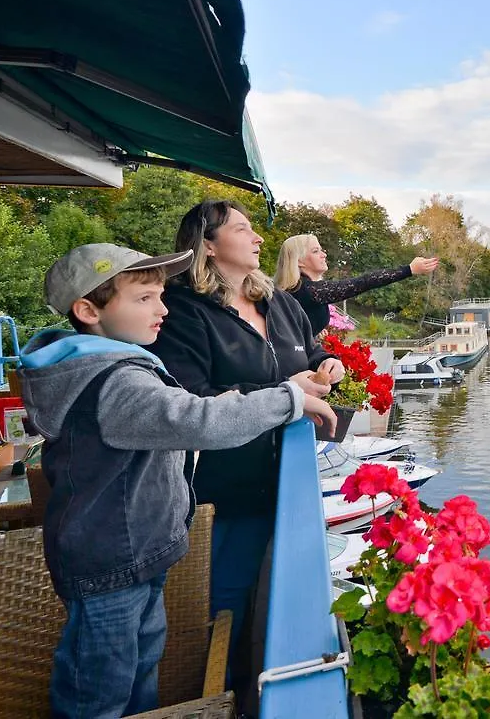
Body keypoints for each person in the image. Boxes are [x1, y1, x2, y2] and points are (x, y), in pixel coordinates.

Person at [20, 243, 336, 718]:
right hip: (112, 562)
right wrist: (288, 398)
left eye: (160, 295)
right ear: (88, 310)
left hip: (136, 554)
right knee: (99, 693)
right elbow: (197, 419)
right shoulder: (113, 381)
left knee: (141, 673)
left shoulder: (116, 363)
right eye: (144, 298)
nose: (162, 308)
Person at [143, 200, 345, 689]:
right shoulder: (183, 312)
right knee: (226, 605)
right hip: (226, 491)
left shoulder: (279, 300)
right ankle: (223, 693)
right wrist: (284, 394)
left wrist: (329, 362)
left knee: (277, 595)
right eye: (243, 229)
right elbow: (189, 402)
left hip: (290, 480)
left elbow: (309, 348)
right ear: (208, 245)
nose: (257, 239)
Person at [273, 233, 439, 337]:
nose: (324, 254)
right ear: (299, 261)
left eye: (321, 250)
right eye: (315, 251)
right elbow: (363, 282)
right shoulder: (307, 291)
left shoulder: (299, 289)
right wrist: (408, 269)